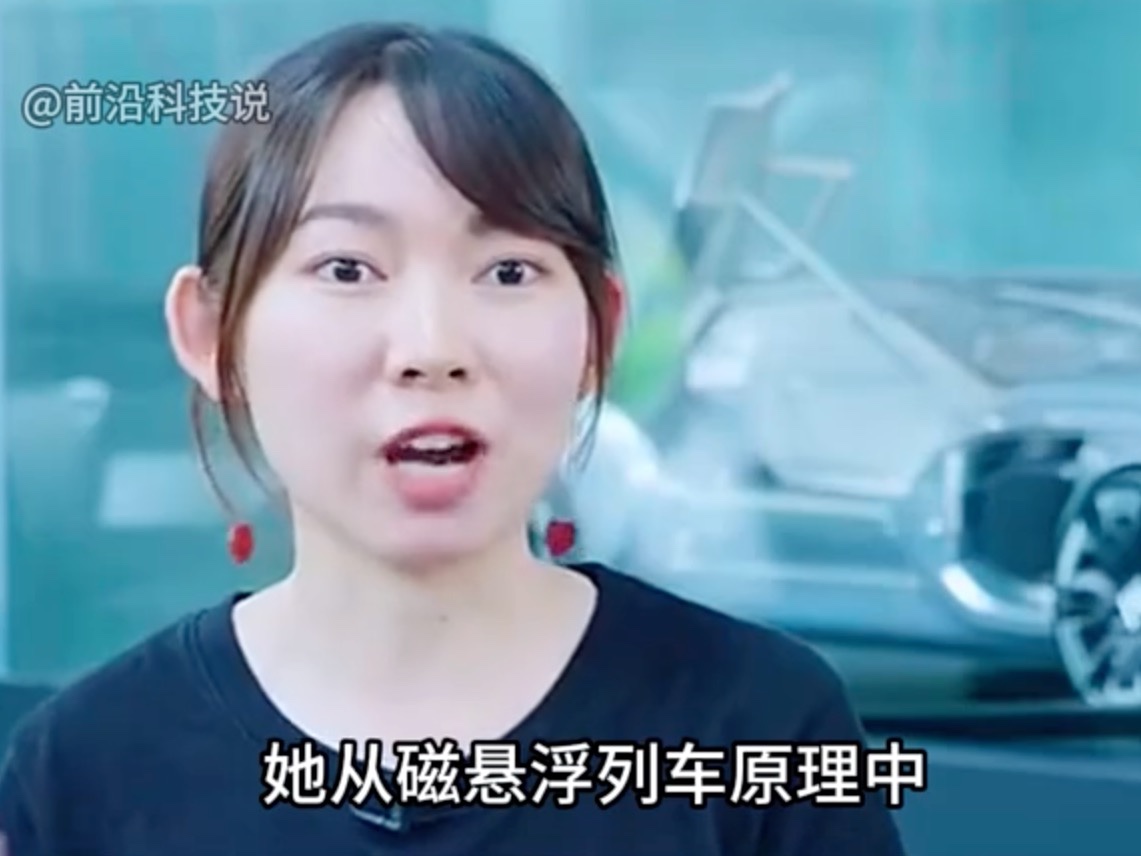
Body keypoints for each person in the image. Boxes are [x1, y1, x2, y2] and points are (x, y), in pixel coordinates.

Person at [0, 22, 908, 856]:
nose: (432, 348)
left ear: (598, 330)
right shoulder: (81, 770)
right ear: (210, 331)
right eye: (347, 268)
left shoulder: (760, 728)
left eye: (508, 271)